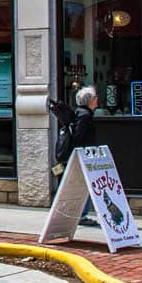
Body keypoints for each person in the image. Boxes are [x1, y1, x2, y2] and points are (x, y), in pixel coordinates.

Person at [50, 86, 100, 225]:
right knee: (84, 185)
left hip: (79, 154)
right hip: (83, 155)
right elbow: (79, 137)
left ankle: (74, 213)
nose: (97, 99)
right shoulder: (85, 115)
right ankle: (81, 215)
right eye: (95, 97)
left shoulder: (81, 113)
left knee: (77, 184)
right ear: (91, 100)